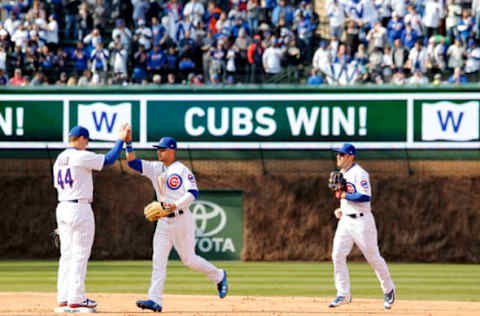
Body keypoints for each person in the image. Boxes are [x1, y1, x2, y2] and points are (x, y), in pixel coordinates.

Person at [125, 136, 228, 312]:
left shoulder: (182, 170)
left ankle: (219, 275)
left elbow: (193, 193)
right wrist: (128, 143)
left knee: (189, 260)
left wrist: (175, 204)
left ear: (172, 151)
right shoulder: (155, 167)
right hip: (163, 221)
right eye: (158, 149)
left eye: (163, 149)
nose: (159, 152)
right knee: (158, 261)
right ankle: (154, 300)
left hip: (182, 219)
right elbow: (132, 163)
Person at [53, 124, 130, 312]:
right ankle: (76, 300)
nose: (87, 144)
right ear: (80, 138)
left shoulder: (60, 158)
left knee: (67, 256)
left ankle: (64, 298)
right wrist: (121, 139)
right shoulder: (80, 155)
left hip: (62, 206)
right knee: (80, 254)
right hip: (79, 208)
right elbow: (109, 159)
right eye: (86, 140)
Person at [328, 143, 396, 310]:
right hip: (345, 221)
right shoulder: (342, 173)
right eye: (338, 154)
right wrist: (341, 208)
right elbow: (347, 198)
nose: (338, 157)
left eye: (342, 155)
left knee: (373, 258)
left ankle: (389, 290)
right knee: (337, 255)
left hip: (362, 222)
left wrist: (344, 195)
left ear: (351, 156)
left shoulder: (360, 173)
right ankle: (343, 294)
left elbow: (365, 196)